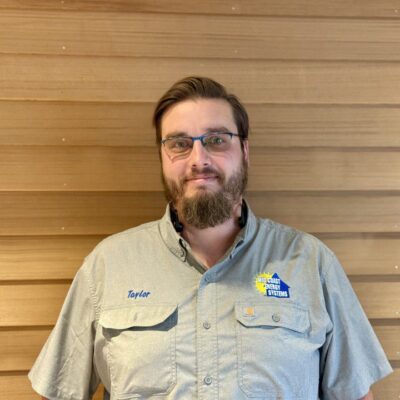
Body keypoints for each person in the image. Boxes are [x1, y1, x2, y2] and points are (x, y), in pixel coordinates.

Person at [29, 77, 392, 400]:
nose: (198, 160)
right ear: (162, 156)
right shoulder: (107, 266)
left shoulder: (311, 263)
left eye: (216, 140)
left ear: (244, 150)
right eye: (179, 144)